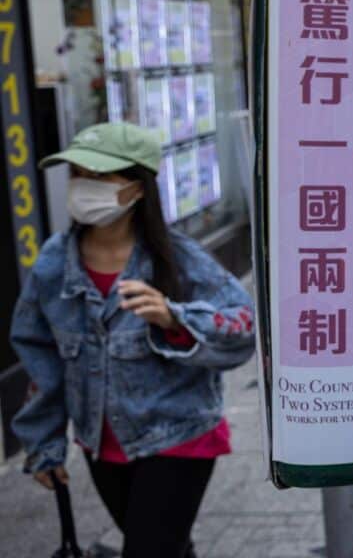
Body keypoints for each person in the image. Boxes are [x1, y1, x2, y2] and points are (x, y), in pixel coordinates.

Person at [10, 122, 255, 557]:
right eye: (78, 175)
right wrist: (43, 443)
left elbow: (242, 327)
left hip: (179, 436)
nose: (85, 187)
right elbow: (40, 356)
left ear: (138, 188)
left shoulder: (179, 259)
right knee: (166, 547)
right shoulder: (52, 263)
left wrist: (174, 317)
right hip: (101, 444)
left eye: (101, 177)